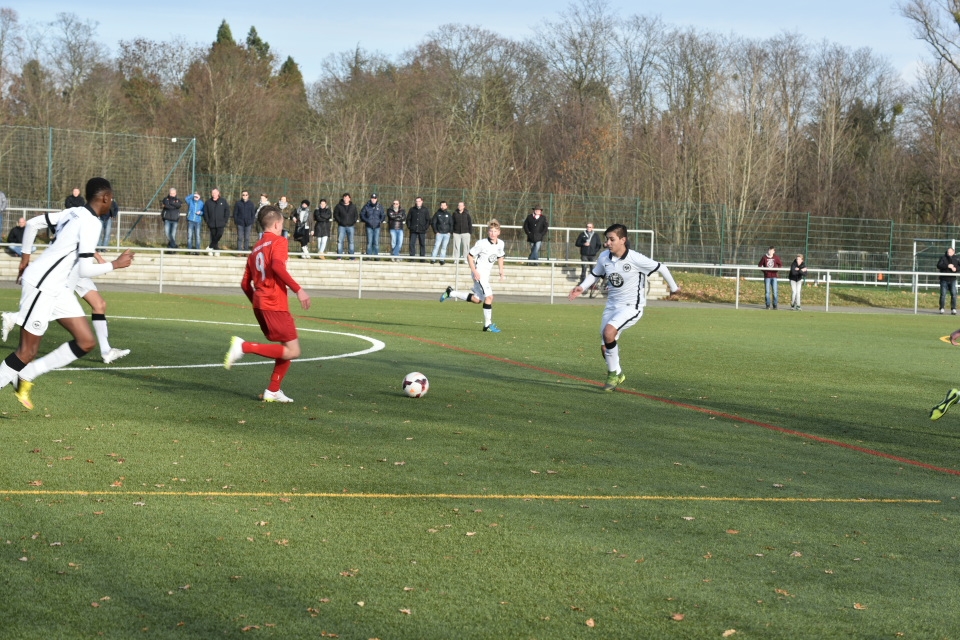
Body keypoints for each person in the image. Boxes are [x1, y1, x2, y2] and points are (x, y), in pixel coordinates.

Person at [0, 177, 134, 409]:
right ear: (105, 198)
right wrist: (115, 264)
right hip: (43, 286)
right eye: (111, 198)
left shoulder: (73, 212)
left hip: (58, 288)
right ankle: (18, 373)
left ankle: (26, 375)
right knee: (26, 352)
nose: (112, 202)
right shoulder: (91, 223)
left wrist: (25, 259)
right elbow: (84, 269)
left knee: (86, 342)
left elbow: (32, 224)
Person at [3, 208, 131, 364]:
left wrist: (98, 257)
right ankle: (16, 317)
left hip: (77, 268)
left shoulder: (77, 215)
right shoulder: (87, 219)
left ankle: (106, 351)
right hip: (69, 270)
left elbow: (82, 244)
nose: (109, 219)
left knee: (99, 304)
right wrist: (114, 264)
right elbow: (36, 225)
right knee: (58, 306)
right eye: (110, 215)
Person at [568, 223, 681, 392]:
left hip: (631, 307)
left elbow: (662, 268)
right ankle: (618, 373)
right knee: (605, 346)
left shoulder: (635, 258)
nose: (607, 243)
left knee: (608, 333)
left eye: (611, 239)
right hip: (612, 306)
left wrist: (674, 288)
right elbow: (595, 273)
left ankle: (612, 375)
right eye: (607, 239)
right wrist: (582, 287)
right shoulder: (604, 257)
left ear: (623, 240)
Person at [224, 204, 311, 403]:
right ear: (277, 224)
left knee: (287, 347)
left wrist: (257, 301)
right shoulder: (279, 241)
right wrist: (299, 290)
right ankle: (244, 346)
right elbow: (277, 266)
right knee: (294, 351)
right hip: (274, 304)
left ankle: (273, 390)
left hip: (261, 304)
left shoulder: (255, 249)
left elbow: (245, 284)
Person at [440, 219, 506, 332]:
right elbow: (469, 256)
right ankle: (487, 325)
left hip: (486, 274)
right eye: (491, 231)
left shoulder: (501, 243)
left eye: (495, 231)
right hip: (479, 273)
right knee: (489, 297)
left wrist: (501, 270)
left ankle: (451, 293)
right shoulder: (482, 243)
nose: (492, 233)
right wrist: (475, 271)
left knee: (477, 299)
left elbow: (500, 256)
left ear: (499, 232)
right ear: (488, 232)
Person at [205, 188, 230, 255]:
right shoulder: (208, 202)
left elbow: (227, 211)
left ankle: (210, 247)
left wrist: (225, 220)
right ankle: (216, 250)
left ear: (218, 193)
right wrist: (208, 221)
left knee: (219, 235)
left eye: (215, 193)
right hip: (212, 223)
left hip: (221, 223)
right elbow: (205, 212)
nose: (214, 194)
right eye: (212, 193)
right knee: (213, 236)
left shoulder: (223, 201)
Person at [937, 247, 960, 315]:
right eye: (948, 252)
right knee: (943, 294)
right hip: (944, 279)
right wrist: (947, 266)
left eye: (950, 252)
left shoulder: (957, 258)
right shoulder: (943, 258)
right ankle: (942, 308)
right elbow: (939, 265)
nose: (948, 253)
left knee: (954, 294)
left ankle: (953, 309)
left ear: (953, 252)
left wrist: (956, 269)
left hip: (952, 279)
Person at [334, 193, 358, 257]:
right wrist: (340, 221)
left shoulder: (353, 206)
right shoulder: (338, 206)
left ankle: (351, 257)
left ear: (349, 199)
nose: (346, 199)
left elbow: (356, 215)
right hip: (341, 226)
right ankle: (339, 256)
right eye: (344, 198)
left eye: (347, 198)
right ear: (343, 198)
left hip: (351, 226)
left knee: (351, 241)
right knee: (340, 241)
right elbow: (336, 215)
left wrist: (353, 222)